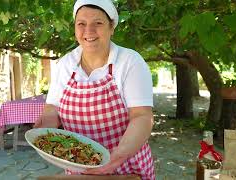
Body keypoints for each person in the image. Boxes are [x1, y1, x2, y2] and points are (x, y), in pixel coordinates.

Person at [34, 0, 156, 179]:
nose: (88, 31)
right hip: (78, 167)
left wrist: (117, 156)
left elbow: (142, 116)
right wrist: (44, 129)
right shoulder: (65, 65)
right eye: (81, 24)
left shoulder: (130, 62)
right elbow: (52, 109)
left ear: (111, 27)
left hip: (126, 167)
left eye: (97, 23)